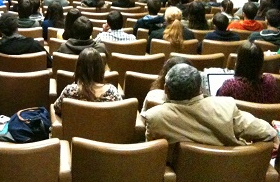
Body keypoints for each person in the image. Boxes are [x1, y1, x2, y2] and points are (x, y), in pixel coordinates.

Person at [143, 63, 277, 153]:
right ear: (200, 88)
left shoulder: (154, 117)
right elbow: (267, 132)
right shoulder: (226, 107)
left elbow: (153, 155)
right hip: (230, 178)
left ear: (165, 89)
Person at [53, 48, 121, 116]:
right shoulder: (112, 92)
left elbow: (57, 108)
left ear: (79, 69)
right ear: (101, 69)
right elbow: (121, 112)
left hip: (76, 126)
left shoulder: (69, 91)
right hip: (106, 126)